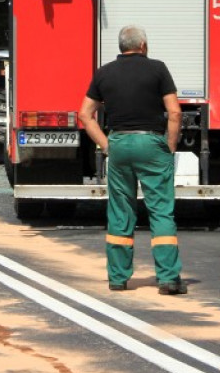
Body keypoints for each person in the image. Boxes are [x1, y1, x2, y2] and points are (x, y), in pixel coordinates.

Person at [78, 25, 186, 295]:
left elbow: (84, 114)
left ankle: (118, 277)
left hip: (119, 143)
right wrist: (170, 146)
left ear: (121, 47)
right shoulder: (158, 69)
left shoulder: (103, 73)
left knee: (120, 210)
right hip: (151, 143)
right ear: (143, 46)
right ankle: (168, 278)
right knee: (160, 210)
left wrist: (106, 145)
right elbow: (174, 112)